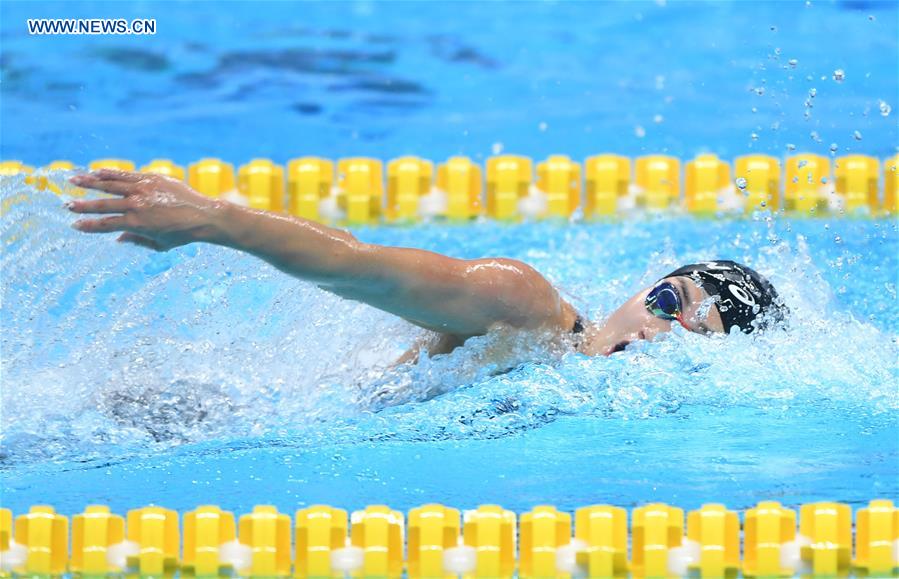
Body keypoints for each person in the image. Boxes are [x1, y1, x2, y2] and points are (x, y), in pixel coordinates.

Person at [67, 169, 785, 361]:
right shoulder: (527, 308)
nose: (659, 331)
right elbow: (362, 267)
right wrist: (214, 219)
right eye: (666, 300)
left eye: (694, 333)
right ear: (637, 292)